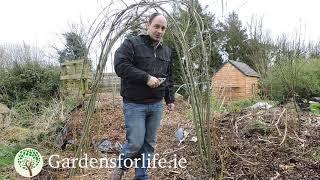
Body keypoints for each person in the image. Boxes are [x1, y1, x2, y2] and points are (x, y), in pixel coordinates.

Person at [110, 13, 175, 180]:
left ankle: (141, 176)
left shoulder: (166, 51)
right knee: (135, 143)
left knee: (149, 144)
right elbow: (121, 66)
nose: (159, 31)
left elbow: (169, 76)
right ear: (148, 25)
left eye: (163, 28)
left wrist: (170, 99)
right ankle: (120, 168)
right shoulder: (132, 43)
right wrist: (146, 78)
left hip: (156, 105)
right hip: (135, 104)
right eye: (156, 26)